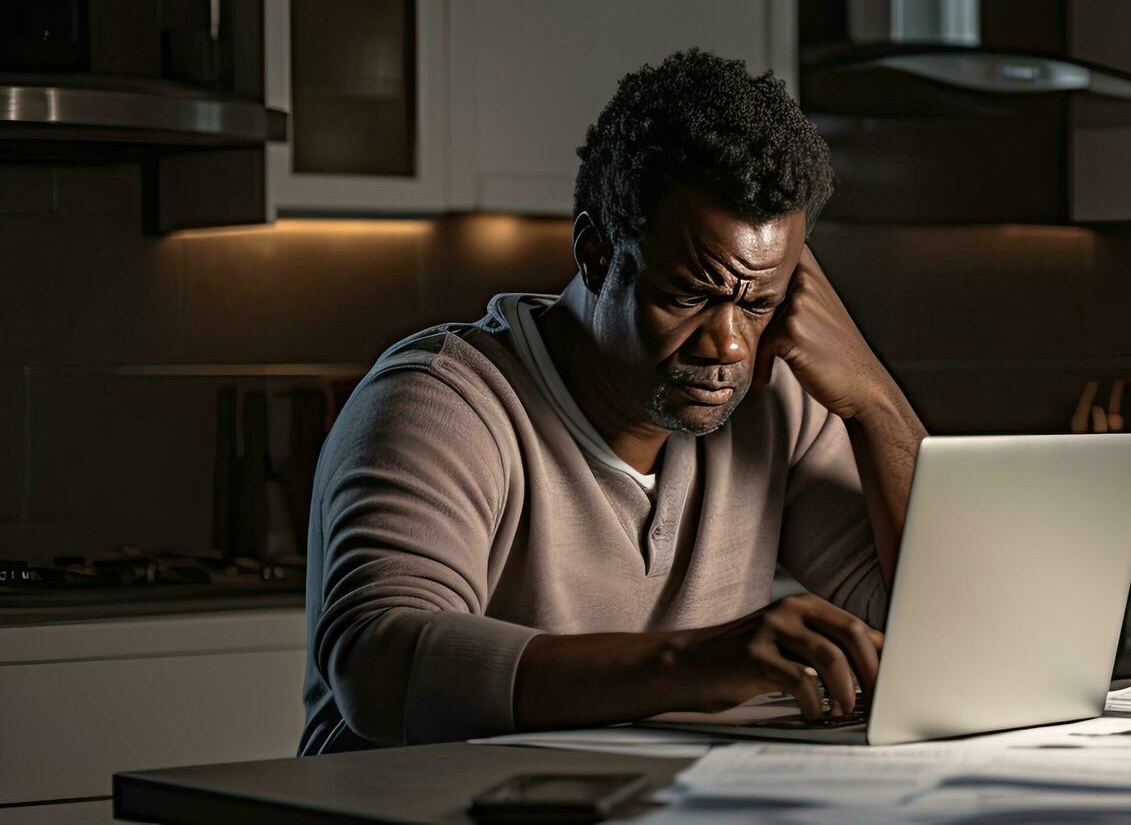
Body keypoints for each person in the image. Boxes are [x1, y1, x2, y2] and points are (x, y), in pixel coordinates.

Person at [298, 49, 925, 755]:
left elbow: (932, 622)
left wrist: (874, 398)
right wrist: (694, 664)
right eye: (689, 296)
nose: (726, 346)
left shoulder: (771, 403)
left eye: (758, 304)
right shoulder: (442, 399)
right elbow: (378, 666)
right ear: (597, 252)